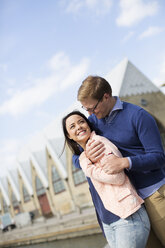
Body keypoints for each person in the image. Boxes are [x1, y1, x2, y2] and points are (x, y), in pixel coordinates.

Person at [73, 75, 165, 247]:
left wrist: (125, 162)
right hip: (133, 204)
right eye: (86, 110)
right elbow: (76, 158)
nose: (90, 114)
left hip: (155, 195)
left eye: (92, 108)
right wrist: (88, 157)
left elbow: (159, 157)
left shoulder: (138, 115)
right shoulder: (94, 122)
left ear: (106, 97)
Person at [62, 110, 150, 248]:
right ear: (69, 136)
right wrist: (85, 160)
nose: (78, 127)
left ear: (88, 124)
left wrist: (89, 168)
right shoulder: (84, 155)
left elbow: (117, 177)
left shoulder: (99, 144)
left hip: (127, 217)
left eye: (81, 122)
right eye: (72, 126)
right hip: (109, 222)